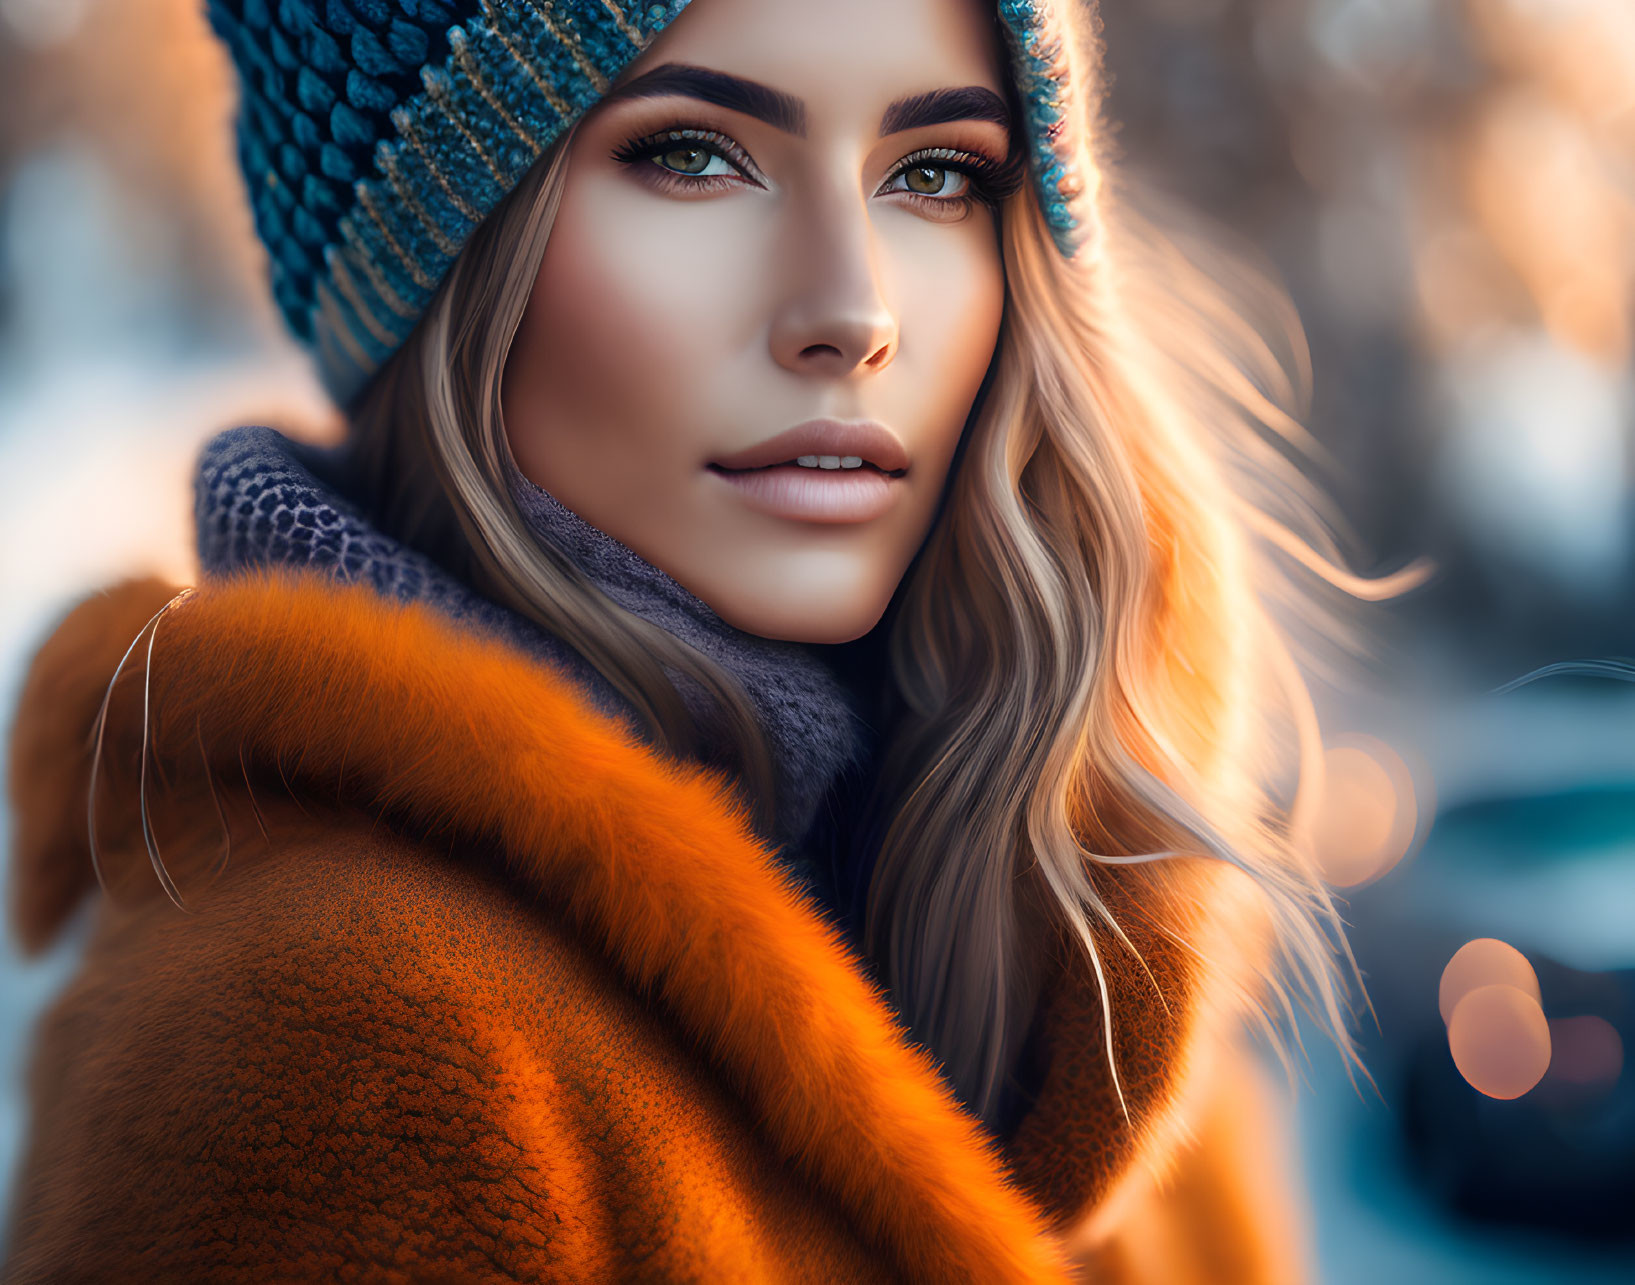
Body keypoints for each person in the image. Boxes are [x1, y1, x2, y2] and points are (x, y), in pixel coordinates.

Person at [4, 0, 1359, 1279]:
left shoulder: (1080, 938)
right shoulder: (333, 1052)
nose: (856, 308)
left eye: (940, 172)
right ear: (447, 255)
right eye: (693, 154)